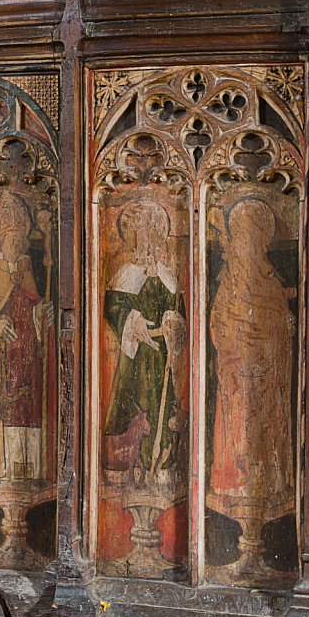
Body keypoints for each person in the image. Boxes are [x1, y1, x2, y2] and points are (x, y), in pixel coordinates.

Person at [208, 197, 296, 525]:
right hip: (236, 375)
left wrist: (275, 342)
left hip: (267, 377)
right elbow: (219, 323)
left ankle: (267, 489)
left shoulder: (270, 281)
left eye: (252, 238)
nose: (245, 245)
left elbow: (281, 327)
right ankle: (235, 487)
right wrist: (235, 352)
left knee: (265, 431)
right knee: (238, 431)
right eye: (241, 237)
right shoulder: (230, 279)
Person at [103, 198, 187, 478]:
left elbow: (178, 312)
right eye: (140, 233)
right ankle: (123, 467)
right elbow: (113, 308)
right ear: (132, 238)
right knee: (131, 402)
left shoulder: (167, 275)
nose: (147, 239)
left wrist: (174, 323)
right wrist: (133, 321)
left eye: (153, 231)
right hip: (136, 354)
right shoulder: (125, 274)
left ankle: (161, 464)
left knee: (162, 403)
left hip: (161, 354)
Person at [0, 192, 53, 483]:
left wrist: (43, 315)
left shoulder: (30, 274)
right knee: (8, 410)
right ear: (0, 242)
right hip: (3, 367)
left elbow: (35, 305)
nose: (17, 244)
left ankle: (32, 470)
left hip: (29, 363)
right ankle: (1, 469)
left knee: (30, 411)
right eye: (11, 239)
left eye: (20, 239)